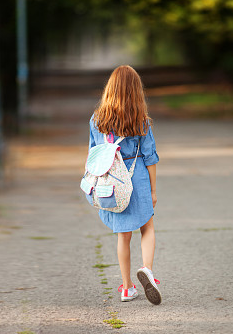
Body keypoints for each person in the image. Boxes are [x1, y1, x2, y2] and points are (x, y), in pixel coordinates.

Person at [88, 65, 161, 305]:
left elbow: (93, 153)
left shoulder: (97, 120)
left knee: (123, 236)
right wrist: (152, 190)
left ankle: (127, 288)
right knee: (147, 227)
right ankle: (147, 270)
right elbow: (150, 157)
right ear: (135, 91)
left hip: (112, 182)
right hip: (136, 175)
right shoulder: (141, 120)